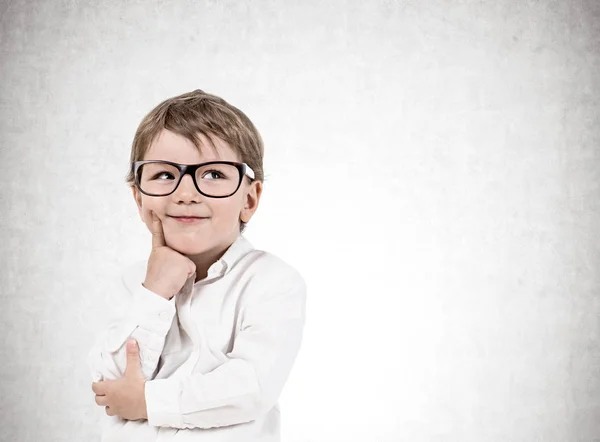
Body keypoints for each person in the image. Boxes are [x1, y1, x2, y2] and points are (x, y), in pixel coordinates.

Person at [87, 89, 307, 442]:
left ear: (249, 199)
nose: (186, 193)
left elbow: (250, 388)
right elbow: (109, 381)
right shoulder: (133, 285)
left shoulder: (271, 282)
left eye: (214, 175)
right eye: (163, 175)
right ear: (138, 196)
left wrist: (147, 402)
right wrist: (155, 293)